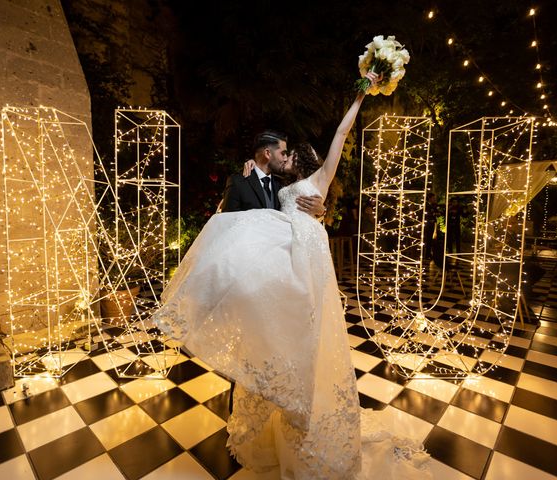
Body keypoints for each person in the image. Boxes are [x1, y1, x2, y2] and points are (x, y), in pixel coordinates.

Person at [152, 71, 431, 479]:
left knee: (305, 339)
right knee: (275, 338)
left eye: (290, 153)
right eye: (281, 152)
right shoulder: (272, 184)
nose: (286, 157)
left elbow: (339, 136)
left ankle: (302, 408)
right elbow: (247, 215)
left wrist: (360, 96)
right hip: (277, 270)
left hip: (305, 268)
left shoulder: (317, 182)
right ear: (271, 155)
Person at [221, 129, 326, 216]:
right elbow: (228, 222)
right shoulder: (238, 182)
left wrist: (321, 211)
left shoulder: (283, 186)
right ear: (267, 153)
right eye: (283, 153)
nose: (286, 158)